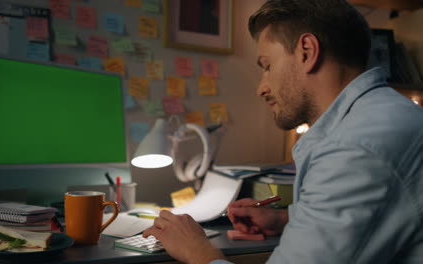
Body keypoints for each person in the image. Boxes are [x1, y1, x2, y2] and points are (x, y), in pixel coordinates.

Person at [143, 0, 423, 263]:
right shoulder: (389, 115)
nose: (261, 87)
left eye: (267, 66)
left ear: (307, 52)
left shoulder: (353, 147)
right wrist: (286, 219)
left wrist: (198, 250)